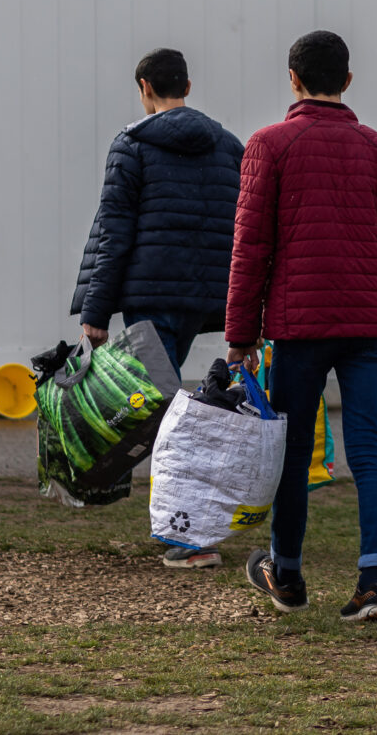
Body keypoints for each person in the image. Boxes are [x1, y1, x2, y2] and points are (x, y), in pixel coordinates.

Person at [226, 30, 377, 623]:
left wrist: (241, 335)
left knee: (292, 453)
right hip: (372, 326)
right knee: (368, 450)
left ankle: (285, 574)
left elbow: (250, 248)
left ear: (292, 79)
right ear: (347, 79)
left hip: (299, 324)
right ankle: (375, 583)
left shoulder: (269, 144)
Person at [71, 47, 243, 567]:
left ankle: (186, 540)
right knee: (170, 410)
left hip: (148, 297)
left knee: (166, 418)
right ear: (186, 87)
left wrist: (95, 312)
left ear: (144, 87)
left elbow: (114, 232)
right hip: (204, 298)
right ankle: (187, 530)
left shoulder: (133, 144)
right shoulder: (229, 146)